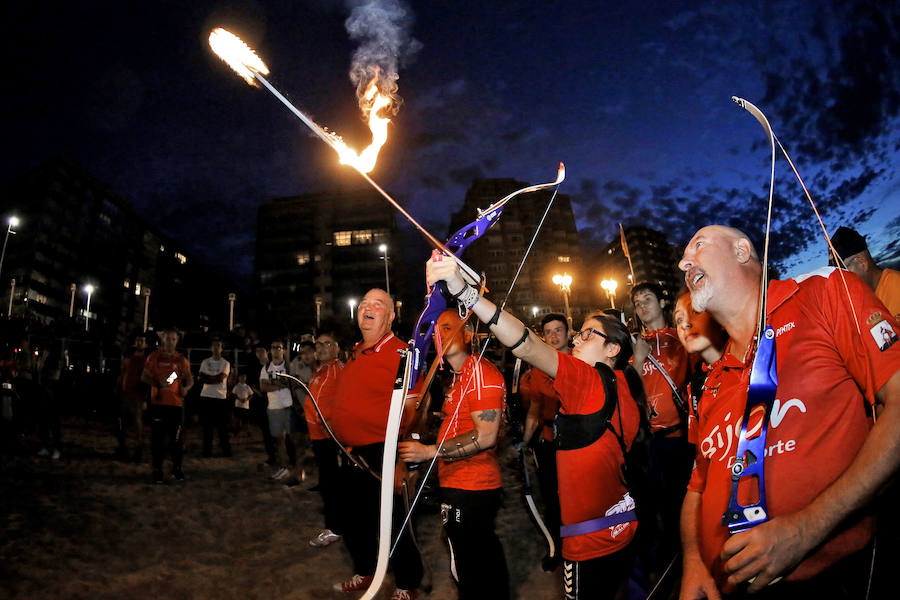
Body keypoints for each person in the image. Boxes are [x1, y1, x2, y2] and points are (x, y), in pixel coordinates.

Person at [677, 225, 900, 599]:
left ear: (742, 251)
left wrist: (807, 528)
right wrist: (694, 562)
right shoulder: (712, 381)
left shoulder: (825, 292)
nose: (685, 261)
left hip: (835, 578)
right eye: (684, 257)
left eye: (698, 245)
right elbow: (697, 486)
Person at [426, 255, 646, 600]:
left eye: (588, 334)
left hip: (589, 543)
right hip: (622, 528)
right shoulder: (626, 386)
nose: (575, 338)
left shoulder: (589, 380)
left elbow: (526, 344)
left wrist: (466, 294)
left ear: (613, 349)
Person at [399, 309, 510, 599]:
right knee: (474, 559)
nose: (440, 334)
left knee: (471, 567)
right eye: (437, 330)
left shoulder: (481, 373)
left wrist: (429, 451)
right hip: (456, 481)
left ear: (469, 336)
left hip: (472, 486)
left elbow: (485, 436)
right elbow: (461, 422)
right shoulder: (459, 377)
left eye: (448, 327)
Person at [328, 288, 423, 600]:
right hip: (351, 452)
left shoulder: (400, 353)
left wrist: (401, 461)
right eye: (364, 303)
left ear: (391, 316)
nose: (367, 308)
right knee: (356, 520)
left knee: (393, 521)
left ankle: (407, 583)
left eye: (377, 304)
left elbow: (413, 409)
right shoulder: (356, 351)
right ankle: (367, 571)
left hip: (382, 451)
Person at [631, 282, 692, 576]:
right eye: (637, 302)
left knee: (680, 501)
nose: (642, 306)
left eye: (648, 299)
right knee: (650, 503)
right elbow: (630, 392)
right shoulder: (633, 347)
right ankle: (663, 560)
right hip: (647, 440)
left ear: (662, 303)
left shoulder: (681, 338)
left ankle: (685, 555)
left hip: (678, 437)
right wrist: (638, 358)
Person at [520, 312, 569, 568]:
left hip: (577, 443)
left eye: (558, 330)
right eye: (548, 331)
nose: (553, 336)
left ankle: (581, 546)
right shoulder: (538, 368)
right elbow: (534, 409)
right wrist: (524, 442)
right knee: (551, 499)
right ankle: (556, 548)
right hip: (550, 441)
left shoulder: (581, 361)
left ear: (568, 332)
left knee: (577, 497)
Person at [305, 331, 344, 547]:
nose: (320, 348)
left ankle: (335, 528)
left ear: (336, 348)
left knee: (331, 485)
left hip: (329, 437)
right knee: (327, 483)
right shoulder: (320, 370)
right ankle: (336, 524)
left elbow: (345, 401)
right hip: (318, 436)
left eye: (326, 344)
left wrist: (332, 424)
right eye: (318, 344)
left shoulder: (337, 370)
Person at [141, 328, 193, 484]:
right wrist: (156, 383)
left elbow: (190, 379)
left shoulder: (181, 360)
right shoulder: (154, 357)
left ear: (177, 341)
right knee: (157, 440)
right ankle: (158, 470)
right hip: (158, 404)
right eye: (168, 339)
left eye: (173, 339)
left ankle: (177, 469)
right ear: (163, 339)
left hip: (176, 406)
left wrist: (186, 389)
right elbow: (144, 376)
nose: (170, 342)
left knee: (176, 440)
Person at [830, 226, 900, 319]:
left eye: (843, 272)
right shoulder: (868, 299)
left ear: (861, 262)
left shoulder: (896, 288)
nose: (842, 281)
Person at [259, 339, 298, 481]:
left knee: (292, 440)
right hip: (273, 407)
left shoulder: (289, 367)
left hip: (288, 406)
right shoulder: (266, 367)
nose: (276, 350)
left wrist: (274, 383)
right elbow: (263, 387)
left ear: (284, 350)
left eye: (278, 347)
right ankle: (284, 468)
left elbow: (292, 383)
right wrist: (281, 384)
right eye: (273, 347)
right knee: (279, 441)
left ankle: (295, 467)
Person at [117, 333, 148, 462]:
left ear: (145, 344)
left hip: (137, 395)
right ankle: (122, 448)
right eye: (138, 340)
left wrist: (145, 399)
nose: (140, 343)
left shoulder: (146, 360)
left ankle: (138, 450)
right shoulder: (128, 358)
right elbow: (122, 374)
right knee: (122, 423)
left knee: (137, 424)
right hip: (125, 394)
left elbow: (146, 380)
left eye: (142, 341)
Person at [198, 339, 232, 457]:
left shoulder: (225, 363)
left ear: (222, 348)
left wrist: (209, 378)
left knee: (222, 427)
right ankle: (207, 451)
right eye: (214, 346)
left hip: (219, 397)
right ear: (211, 348)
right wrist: (214, 378)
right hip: (206, 396)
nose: (216, 348)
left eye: (218, 346)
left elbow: (220, 378)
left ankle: (226, 451)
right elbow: (201, 378)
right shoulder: (205, 362)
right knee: (207, 427)